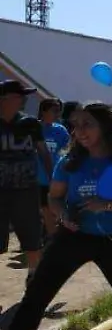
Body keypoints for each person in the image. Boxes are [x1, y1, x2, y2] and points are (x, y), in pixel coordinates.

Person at [0, 102, 112, 330]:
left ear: (106, 127)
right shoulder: (70, 161)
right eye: (75, 125)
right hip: (73, 236)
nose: (79, 131)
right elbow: (54, 197)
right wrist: (63, 217)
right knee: (36, 296)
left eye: (87, 124)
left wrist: (104, 205)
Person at [1, 81, 53, 282]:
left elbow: (44, 154)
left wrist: (51, 182)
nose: (24, 100)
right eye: (19, 96)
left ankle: (34, 278)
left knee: (31, 237)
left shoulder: (30, 123)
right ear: (5, 99)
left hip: (26, 190)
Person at [36, 98, 71, 239]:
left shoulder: (60, 130)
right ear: (44, 111)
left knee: (56, 208)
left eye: (59, 111)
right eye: (54, 110)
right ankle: (51, 238)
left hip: (57, 177)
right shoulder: (35, 128)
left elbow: (68, 149)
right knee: (45, 209)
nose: (58, 114)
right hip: (39, 177)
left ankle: (54, 236)